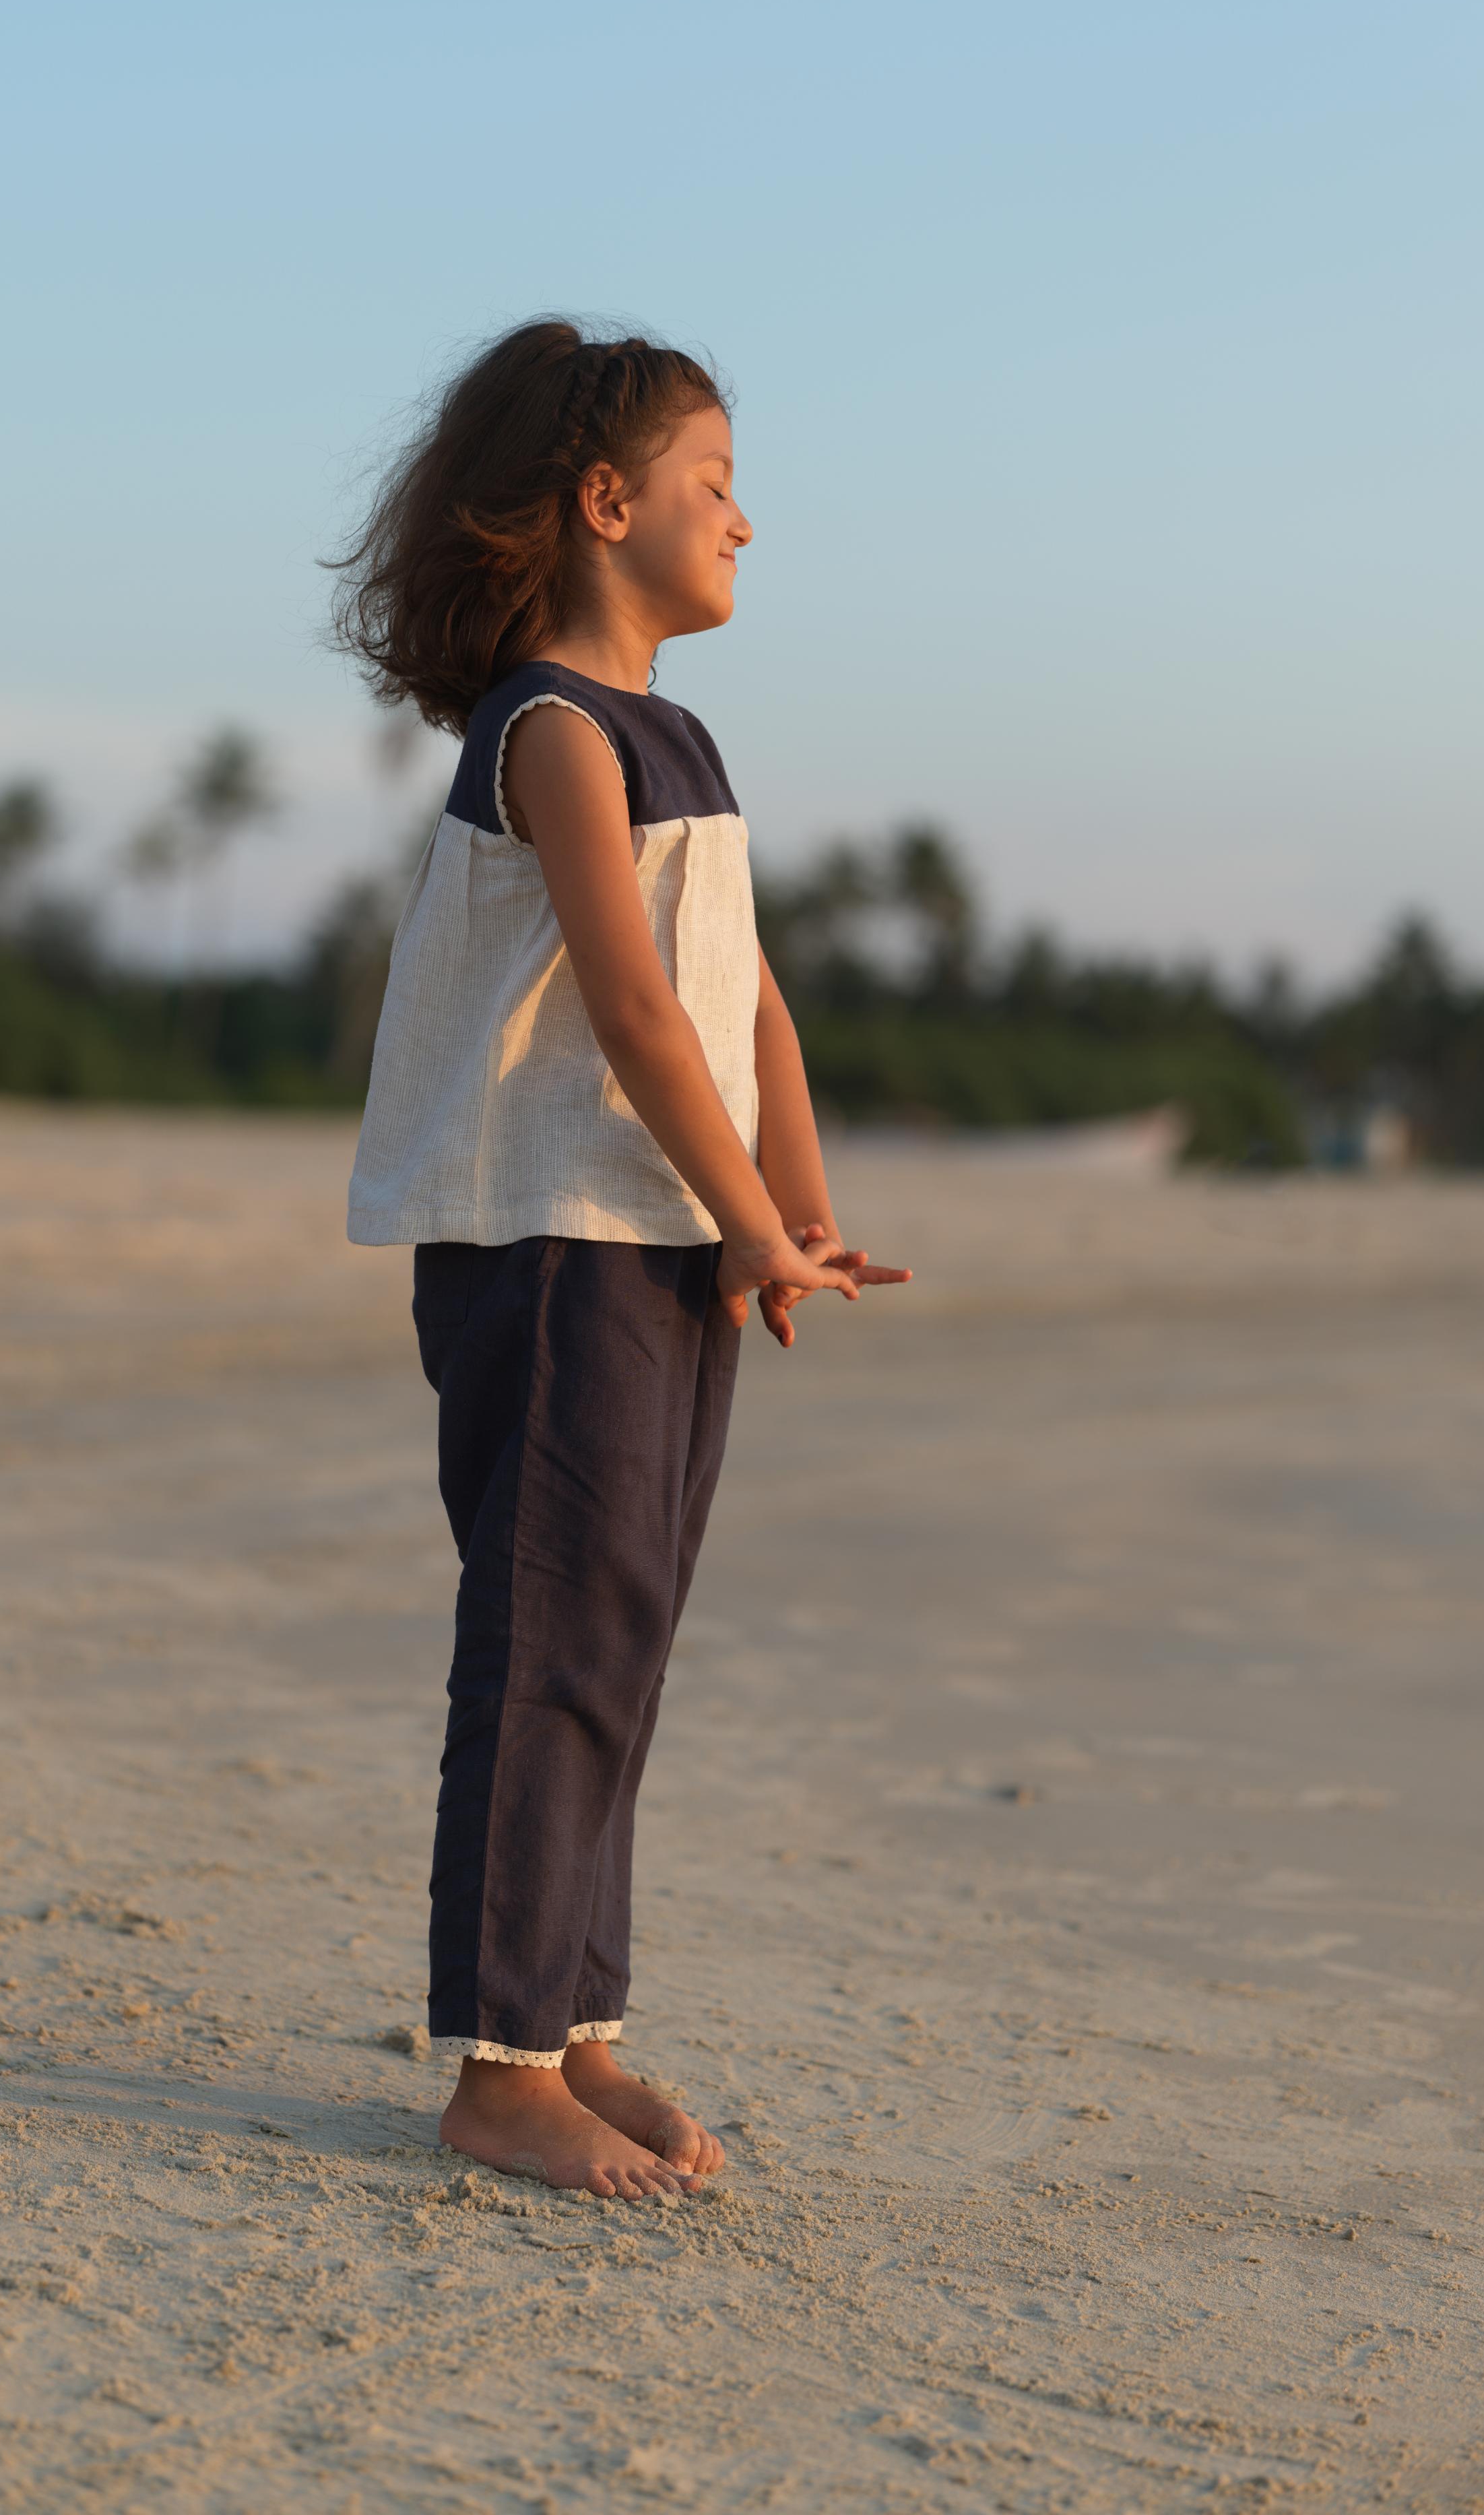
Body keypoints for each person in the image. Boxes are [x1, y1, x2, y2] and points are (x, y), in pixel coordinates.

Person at [334, 320, 909, 2200]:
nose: (746, 520)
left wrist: (791, 1211)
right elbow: (637, 1011)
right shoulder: (551, 731)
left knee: (622, 1632)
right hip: (553, 1236)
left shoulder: (676, 732)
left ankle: (568, 2027)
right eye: (713, 484)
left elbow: (745, 1003)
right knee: (546, 1634)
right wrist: (746, 1214)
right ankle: (495, 2070)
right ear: (605, 505)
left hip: (657, 1237)